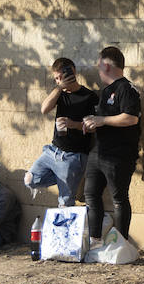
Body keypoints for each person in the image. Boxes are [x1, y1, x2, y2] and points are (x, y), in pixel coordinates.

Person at [80, 46, 141, 243]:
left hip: (119, 155)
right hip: (99, 152)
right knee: (91, 195)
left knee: (119, 199)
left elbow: (131, 118)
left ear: (106, 65)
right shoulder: (105, 91)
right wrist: (92, 124)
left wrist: (102, 121)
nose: (98, 70)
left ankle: (122, 243)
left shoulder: (126, 88)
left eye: (99, 66)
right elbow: (105, 119)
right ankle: (95, 241)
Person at [24, 57, 98, 204]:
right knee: (30, 180)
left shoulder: (89, 96)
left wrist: (73, 124)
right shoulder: (60, 94)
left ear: (72, 71)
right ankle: (66, 180)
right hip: (52, 151)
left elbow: (94, 128)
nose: (58, 81)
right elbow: (44, 109)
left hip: (73, 156)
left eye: (61, 77)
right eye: (56, 79)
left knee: (65, 202)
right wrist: (59, 88)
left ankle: (70, 184)